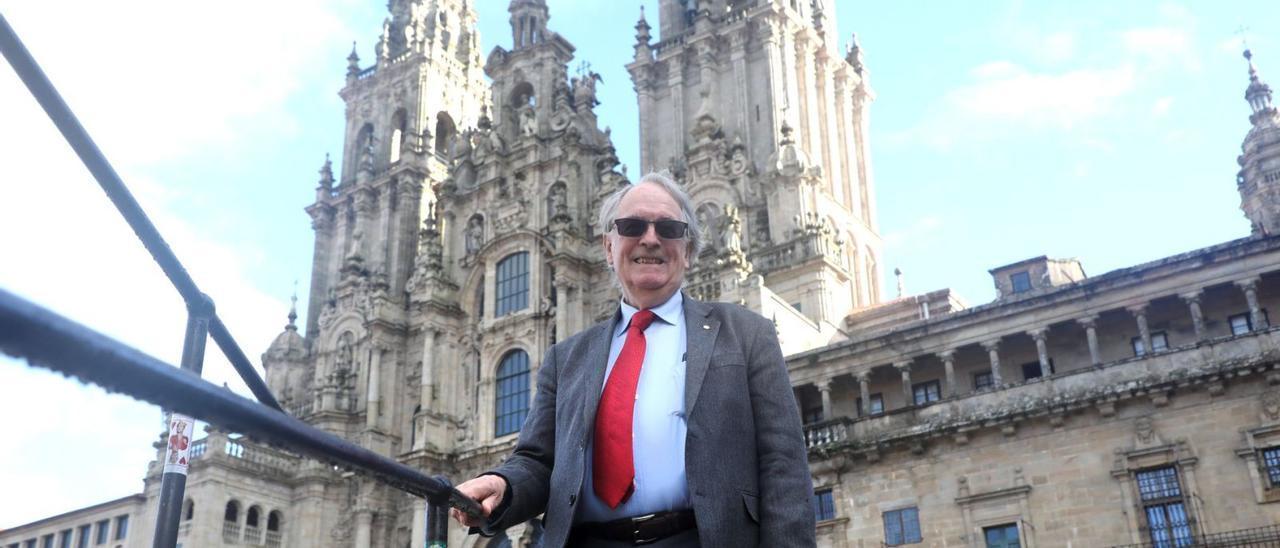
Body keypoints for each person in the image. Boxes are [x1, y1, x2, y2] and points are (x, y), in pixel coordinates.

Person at [452, 173, 815, 547]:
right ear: (608, 247)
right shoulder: (567, 358)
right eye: (632, 226)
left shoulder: (746, 334)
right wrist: (503, 484)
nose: (651, 238)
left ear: (688, 251)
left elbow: (783, 469)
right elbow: (539, 461)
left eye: (670, 228)